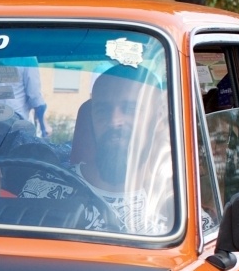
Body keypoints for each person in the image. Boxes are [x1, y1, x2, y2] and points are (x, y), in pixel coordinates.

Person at [62, 65, 174, 235]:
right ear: (91, 116)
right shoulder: (47, 188)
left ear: (158, 118)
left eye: (130, 109)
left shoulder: (177, 210)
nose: (115, 121)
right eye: (103, 110)